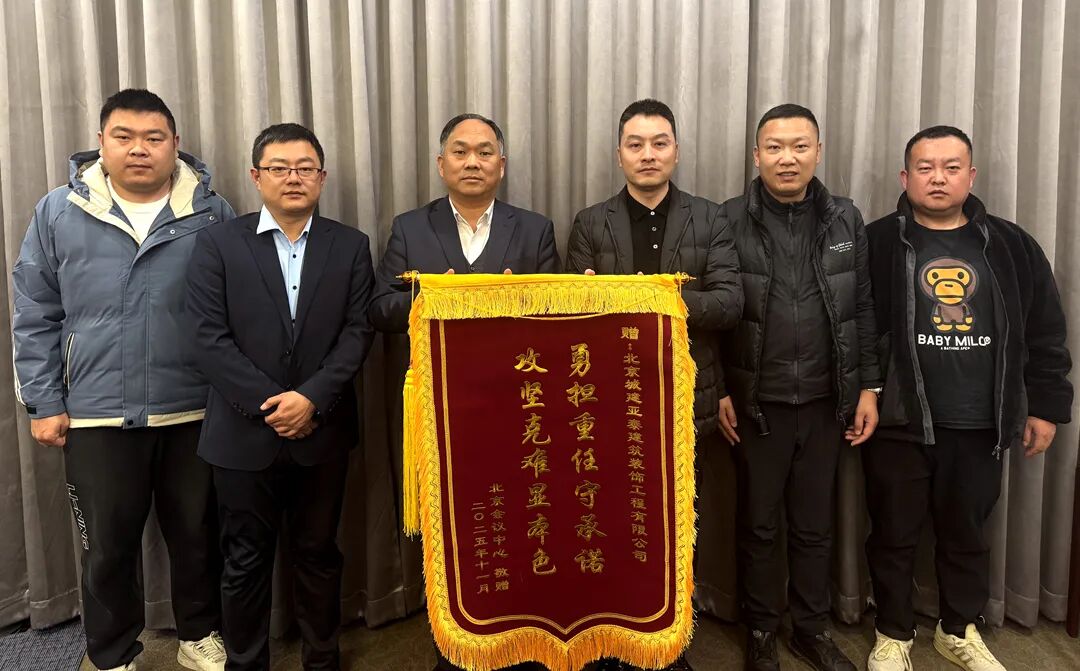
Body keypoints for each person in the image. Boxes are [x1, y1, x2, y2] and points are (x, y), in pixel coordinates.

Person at [12, 88, 232, 671]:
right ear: (101, 142)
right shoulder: (58, 211)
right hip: (96, 411)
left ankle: (200, 635)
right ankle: (111, 652)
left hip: (195, 409)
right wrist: (43, 401)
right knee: (106, 546)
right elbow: (34, 311)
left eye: (154, 138)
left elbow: (237, 309)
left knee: (198, 534)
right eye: (125, 137)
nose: (139, 149)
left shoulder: (212, 212)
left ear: (175, 144)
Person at [862, 126, 1072, 671]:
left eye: (951, 167)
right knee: (893, 533)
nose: (938, 178)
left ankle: (957, 628)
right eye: (925, 167)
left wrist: (1046, 406)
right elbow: (855, 326)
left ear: (971, 176)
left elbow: (1045, 330)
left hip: (981, 422)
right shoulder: (877, 242)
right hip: (899, 420)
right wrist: (864, 392)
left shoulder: (1011, 245)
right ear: (905, 177)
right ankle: (893, 633)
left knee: (968, 535)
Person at [370, 113, 559, 671]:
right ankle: (453, 647)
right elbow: (380, 309)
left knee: (517, 524)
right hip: (441, 414)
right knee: (451, 532)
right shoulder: (410, 228)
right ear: (441, 163)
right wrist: (436, 298)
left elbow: (558, 313)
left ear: (501, 164)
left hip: (518, 411)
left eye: (483, 152)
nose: (472, 162)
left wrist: (520, 301)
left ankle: (517, 643)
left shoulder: (534, 229)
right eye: (460, 151)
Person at [187, 123, 375, 670]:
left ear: (322, 176)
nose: (293, 178)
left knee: (319, 553)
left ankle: (323, 659)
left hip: (322, 430)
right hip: (242, 434)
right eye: (279, 168)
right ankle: (246, 663)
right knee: (244, 560)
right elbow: (206, 336)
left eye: (305, 168)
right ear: (256, 176)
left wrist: (311, 398)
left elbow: (357, 332)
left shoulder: (350, 244)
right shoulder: (219, 243)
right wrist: (273, 404)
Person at [564, 97, 743, 671]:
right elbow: (572, 315)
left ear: (676, 152)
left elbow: (729, 304)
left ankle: (670, 644)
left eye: (659, 143)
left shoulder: (710, 218)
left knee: (676, 528)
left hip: (686, 398)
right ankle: (614, 640)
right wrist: (612, 300)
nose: (648, 154)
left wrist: (644, 297)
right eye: (636, 144)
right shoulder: (590, 222)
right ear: (619, 154)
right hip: (607, 401)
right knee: (612, 524)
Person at [718, 103, 880, 671]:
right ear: (756, 155)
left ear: (818, 151)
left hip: (825, 401)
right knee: (759, 525)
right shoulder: (727, 218)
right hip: (756, 404)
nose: (787, 158)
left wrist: (869, 388)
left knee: (815, 525)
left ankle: (811, 628)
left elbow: (862, 306)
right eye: (774, 147)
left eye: (799, 146)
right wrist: (720, 391)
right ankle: (762, 629)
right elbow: (718, 315)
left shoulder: (845, 219)